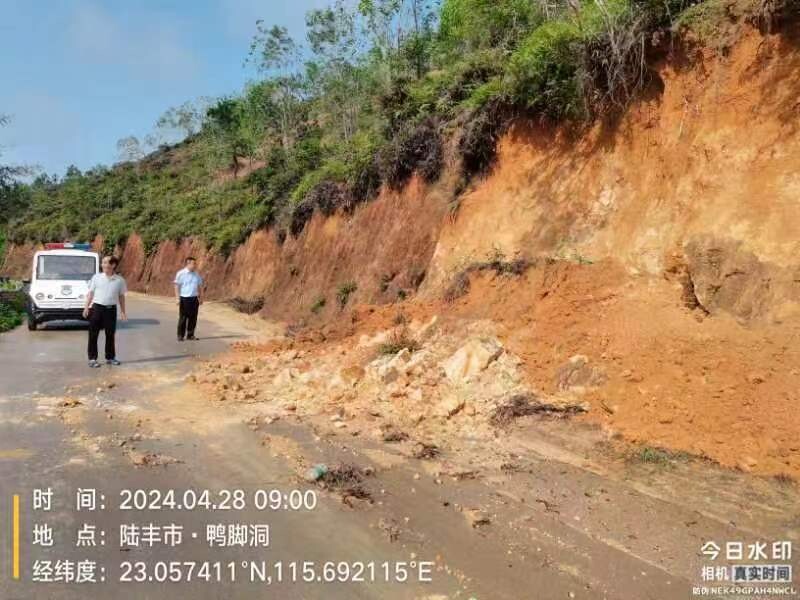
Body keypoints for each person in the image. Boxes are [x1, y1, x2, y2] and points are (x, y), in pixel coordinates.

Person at [83, 255, 127, 368]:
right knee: (93, 334)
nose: (103, 265)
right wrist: (86, 307)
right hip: (97, 309)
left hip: (111, 310)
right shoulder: (96, 277)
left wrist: (123, 311)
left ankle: (110, 357)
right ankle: (92, 358)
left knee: (110, 335)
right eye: (103, 262)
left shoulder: (119, 280)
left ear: (113, 265)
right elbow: (91, 293)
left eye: (106, 262)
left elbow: (121, 296)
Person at [174, 257, 204, 341]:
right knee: (183, 318)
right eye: (193, 264)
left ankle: (190, 335)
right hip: (184, 298)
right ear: (188, 264)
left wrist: (201, 298)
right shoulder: (181, 273)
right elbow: (176, 286)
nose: (195, 265)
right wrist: (177, 298)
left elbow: (200, 286)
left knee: (193, 318)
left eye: (195, 264)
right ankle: (180, 335)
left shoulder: (196, 274)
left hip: (194, 299)